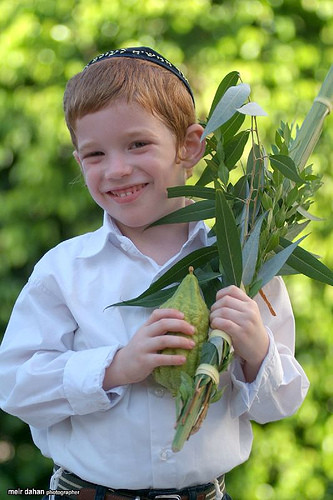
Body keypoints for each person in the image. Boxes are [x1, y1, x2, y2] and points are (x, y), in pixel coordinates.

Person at [0, 47, 309, 500]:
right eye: (94, 154)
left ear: (190, 146)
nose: (117, 169)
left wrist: (256, 351)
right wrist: (114, 367)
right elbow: (15, 385)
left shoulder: (246, 263)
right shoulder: (65, 270)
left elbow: (279, 405)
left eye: (137, 144)